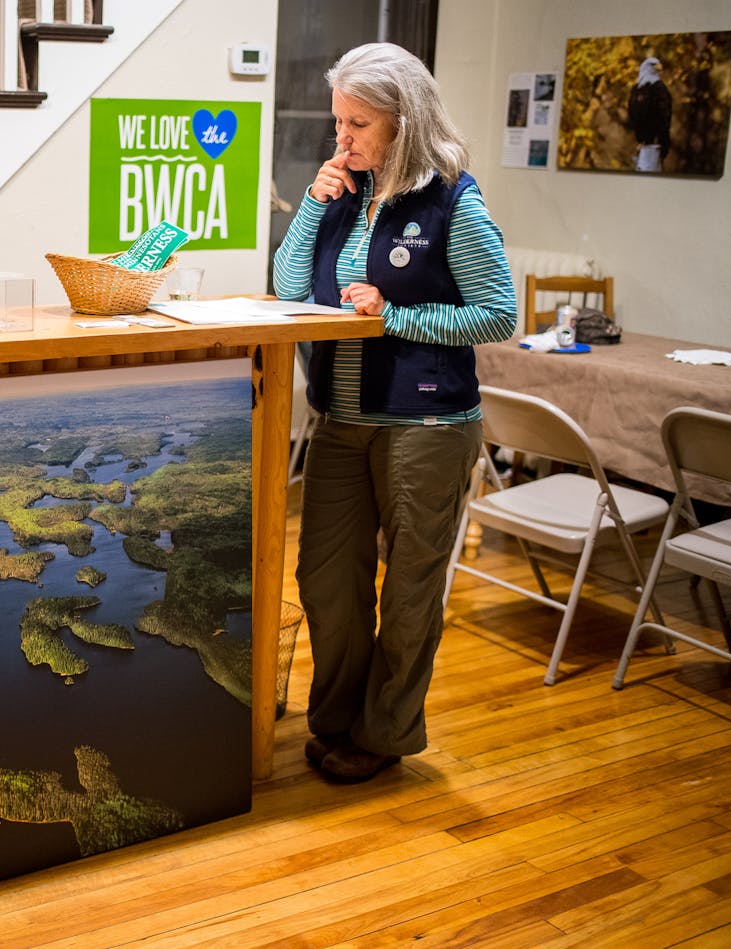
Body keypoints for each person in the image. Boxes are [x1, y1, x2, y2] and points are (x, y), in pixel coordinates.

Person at [272, 43, 517, 783]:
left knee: (407, 590)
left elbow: (499, 313)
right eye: (338, 121)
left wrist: (397, 318)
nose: (341, 139)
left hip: (427, 425)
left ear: (404, 123)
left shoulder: (451, 201)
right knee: (326, 580)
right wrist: (314, 204)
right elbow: (288, 289)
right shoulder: (346, 191)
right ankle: (339, 717)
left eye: (359, 124)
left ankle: (383, 732)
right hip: (341, 422)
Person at [627, 56, 672, 173]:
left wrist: (662, 141)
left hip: (656, 142)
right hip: (643, 143)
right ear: (645, 67)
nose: (658, 66)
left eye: (658, 64)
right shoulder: (636, 90)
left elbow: (664, 119)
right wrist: (640, 140)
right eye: (653, 64)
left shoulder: (659, 89)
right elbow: (633, 117)